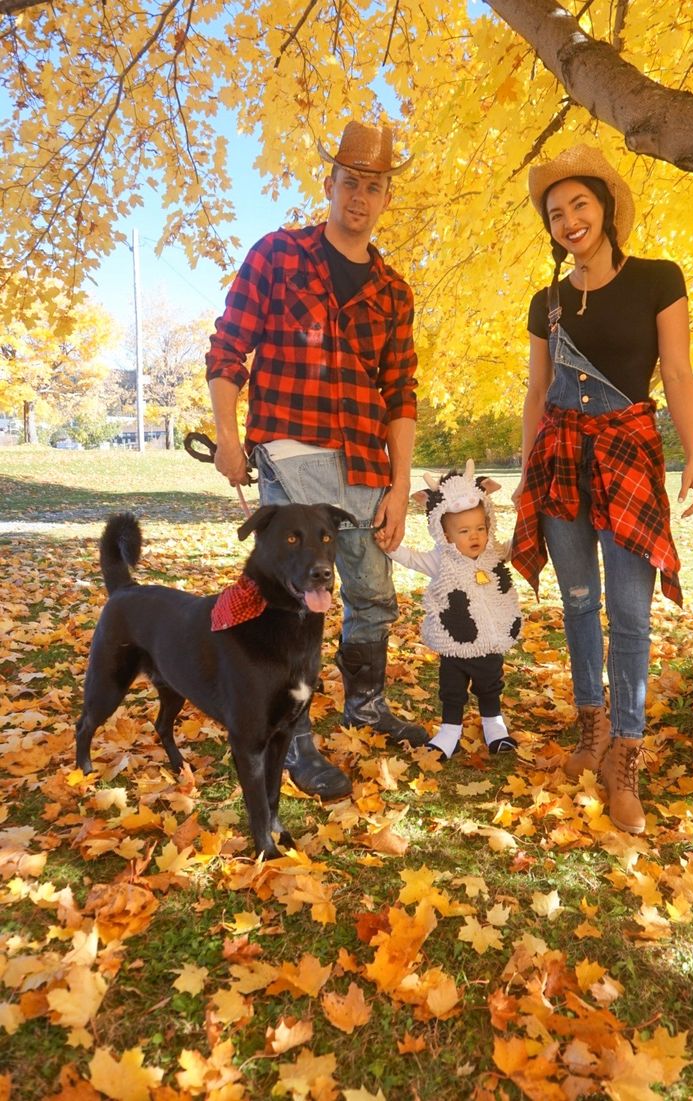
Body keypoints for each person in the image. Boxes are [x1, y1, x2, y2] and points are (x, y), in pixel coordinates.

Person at [205, 120, 428, 803]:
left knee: (373, 595)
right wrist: (227, 433)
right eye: (350, 182)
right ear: (329, 185)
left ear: (387, 197)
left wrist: (399, 483)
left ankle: (366, 705)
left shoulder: (392, 290)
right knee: (301, 602)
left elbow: (402, 392)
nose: (360, 197)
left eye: (375, 187)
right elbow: (227, 349)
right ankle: (294, 739)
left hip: (365, 462)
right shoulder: (276, 255)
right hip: (290, 447)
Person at [511, 144, 693, 834]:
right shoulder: (549, 301)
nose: (569, 220)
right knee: (577, 600)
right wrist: (525, 473)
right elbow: (538, 392)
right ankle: (590, 728)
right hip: (560, 460)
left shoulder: (659, 278)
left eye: (579, 205)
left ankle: (626, 748)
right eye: (557, 213)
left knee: (630, 612)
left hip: (628, 456)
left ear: (605, 210)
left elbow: (678, 375)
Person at [388, 461, 522, 760]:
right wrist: (388, 544)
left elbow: (517, 545)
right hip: (455, 645)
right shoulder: (441, 561)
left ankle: (494, 725)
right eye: (464, 531)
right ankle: (450, 730)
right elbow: (409, 558)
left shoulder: (494, 554)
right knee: (452, 689)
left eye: (480, 528)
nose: (475, 536)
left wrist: (528, 524)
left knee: (490, 684)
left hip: (489, 643)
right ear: (445, 534)